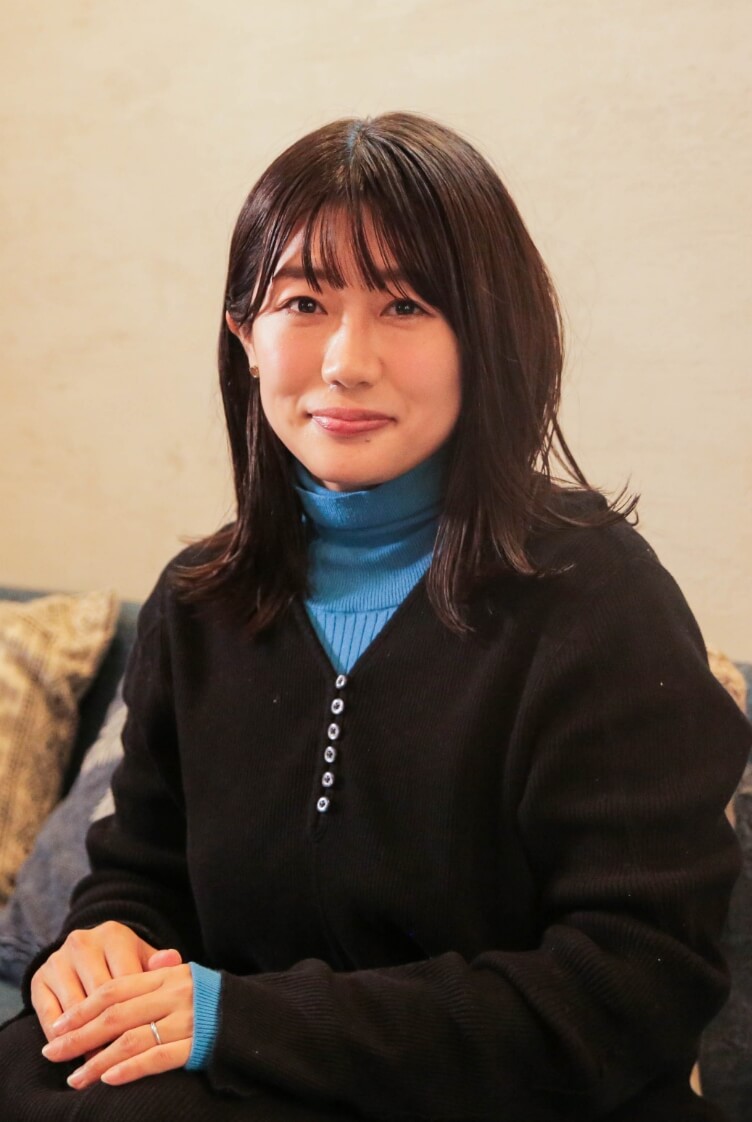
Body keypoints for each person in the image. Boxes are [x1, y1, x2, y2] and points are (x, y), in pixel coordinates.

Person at [0, 112, 749, 1122]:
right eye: (303, 302)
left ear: (486, 335)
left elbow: (632, 989)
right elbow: (144, 874)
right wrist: (103, 942)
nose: (347, 363)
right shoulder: (199, 601)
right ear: (245, 336)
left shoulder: (593, 593)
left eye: (404, 305)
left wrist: (241, 1021)